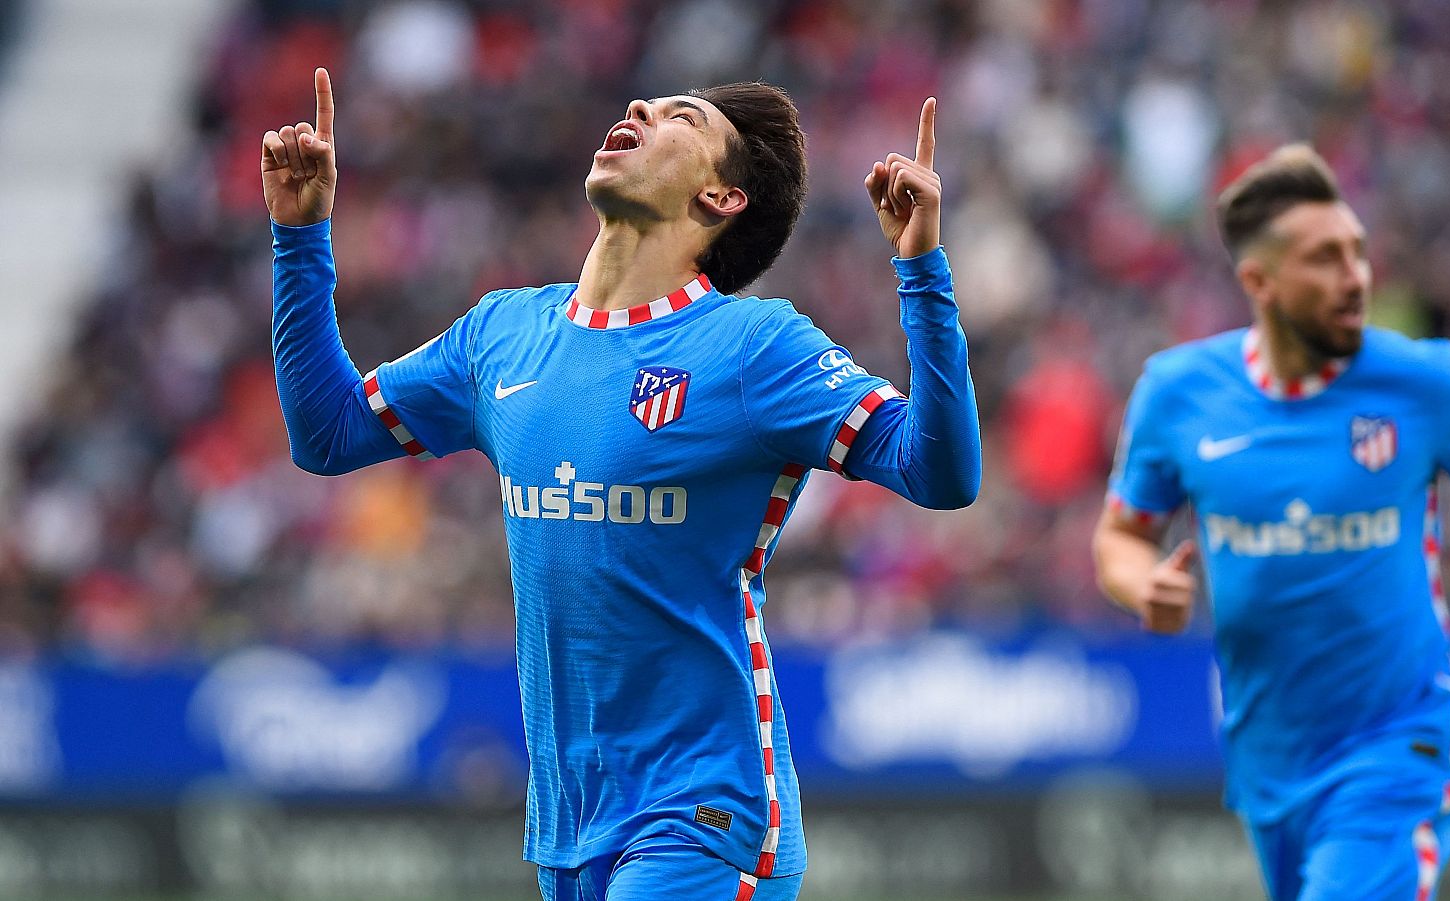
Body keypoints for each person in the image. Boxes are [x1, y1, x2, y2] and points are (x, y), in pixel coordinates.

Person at [262, 69, 980, 901]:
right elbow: (327, 433)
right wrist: (299, 236)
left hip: (701, 815)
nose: (638, 108)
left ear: (720, 198)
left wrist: (921, 267)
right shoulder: (502, 334)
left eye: (681, 119)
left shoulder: (754, 348)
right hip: (568, 826)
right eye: (644, 103)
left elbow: (940, 472)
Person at [1092, 144, 1450, 900]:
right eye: (1326, 259)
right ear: (1259, 282)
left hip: (1399, 744)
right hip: (1269, 759)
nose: (1357, 277)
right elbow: (1120, 534)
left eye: (1358, 252)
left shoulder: (1424, 382)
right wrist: (1143, 584)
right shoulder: (1178, 393)